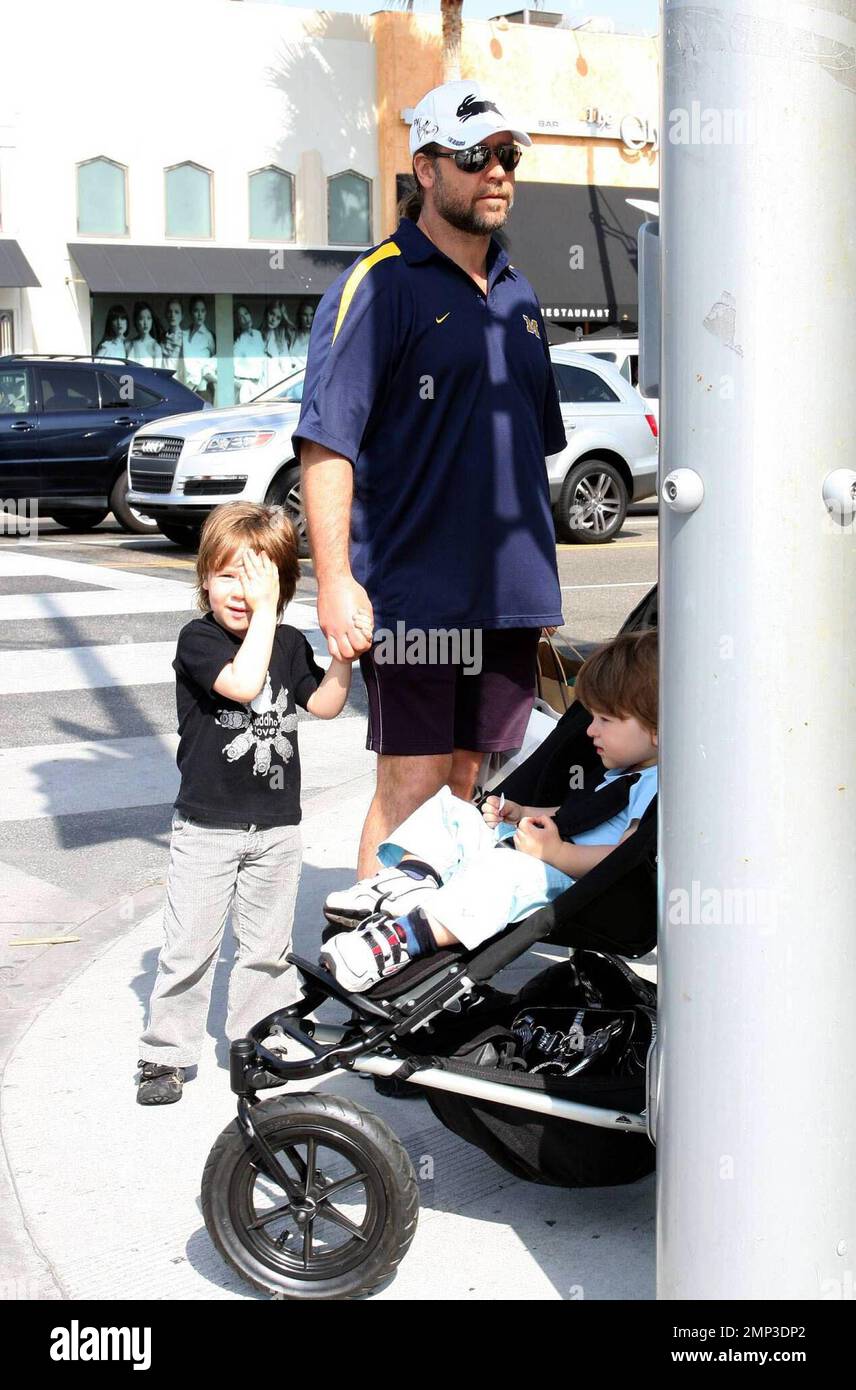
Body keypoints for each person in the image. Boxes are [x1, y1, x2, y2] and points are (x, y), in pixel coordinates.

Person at [294, 79, 566, 882]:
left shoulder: (520, 295)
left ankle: (432, 967)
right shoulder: (376, 284)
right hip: (413, 592)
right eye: (476, 156)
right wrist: (336, 581)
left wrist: (538, 586)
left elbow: (533, 446)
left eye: (508, 157)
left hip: (508, 598)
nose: (498, 173)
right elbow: (325, 445)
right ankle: (371, 968)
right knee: (412, 784)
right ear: (426, 167)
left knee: (464, 782)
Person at [136, 501, 369, 1104]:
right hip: (206, 823)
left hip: (276, 827)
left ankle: (254, 1041)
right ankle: (165, 1054)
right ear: (203, 579)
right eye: (229, 575)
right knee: (190, 945)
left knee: (266, 951)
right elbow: (241, 684)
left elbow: (322, 704)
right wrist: (267, 613)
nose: (242, 592)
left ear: (285, 585)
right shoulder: (200, 640)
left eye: (259, 577)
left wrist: (343, 658)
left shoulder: (287, 643)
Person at [320, 630, 658, 993]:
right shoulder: (621, 773)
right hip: (543, 855)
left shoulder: (656, 786)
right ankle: (408, 883)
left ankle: (403, 939)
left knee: (504, 872)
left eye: (605, 720)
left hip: (578, 888)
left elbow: (627, 856)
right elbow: (581, 813)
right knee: (453, 811)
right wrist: (523, 811)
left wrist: (557, 853)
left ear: (657, 729)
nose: (591, 730)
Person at [181, 297, 217, 400]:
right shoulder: (184, 334)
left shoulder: (208, 336)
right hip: (186, 385)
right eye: (196, 310)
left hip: (203, 388)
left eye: (203, 311)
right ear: (191, 312)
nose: (200, 314)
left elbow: (213, 360)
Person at [233, 302, 266, 403]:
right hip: (245, 388)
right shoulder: (238, 341)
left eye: (246, 314)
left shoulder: (258, 335)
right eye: (240, 317)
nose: (245, 319)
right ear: (237, 322)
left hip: (260, 386)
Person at [126, 301, 163, 367]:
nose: (145, 323)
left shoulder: (156, 347)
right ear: (136, 321)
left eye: (149, 318)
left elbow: (156, 375)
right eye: (141, 318)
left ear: (152, 321)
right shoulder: (129, 344)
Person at [161, 299, 185, 371]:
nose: (172, 315)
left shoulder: (186, 338)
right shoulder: (161, 338)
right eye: (169, 312)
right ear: (166, 314)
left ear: (182, 316)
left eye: (176, 312)